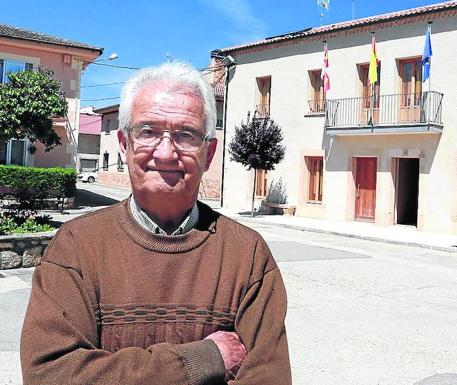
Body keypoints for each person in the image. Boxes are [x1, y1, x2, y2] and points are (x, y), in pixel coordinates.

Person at [20, 62, 291, 385]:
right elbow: (49, 375)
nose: (165, 152)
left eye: (186, 135)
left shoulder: (247, 256)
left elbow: (268, 377)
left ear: (209, 153)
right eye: (147, 131)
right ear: (124, 144)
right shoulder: (77, 246)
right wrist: (202, 359)